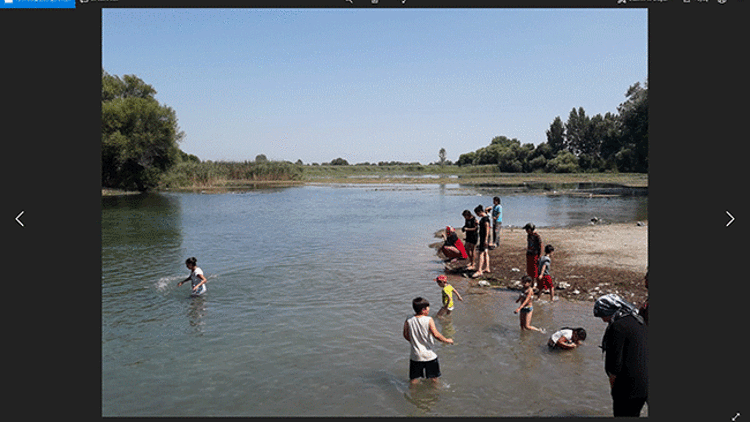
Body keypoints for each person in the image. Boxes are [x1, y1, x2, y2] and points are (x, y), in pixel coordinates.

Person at [593, 294, 648, 417]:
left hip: (628, 386)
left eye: (603, 315)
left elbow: (615, 365)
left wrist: (614, 389)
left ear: (610, 310)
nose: (603, 319)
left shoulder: (618, 327)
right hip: (644, 385)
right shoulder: (638, 320)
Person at [402, 297, 454, 385]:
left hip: (415, 355)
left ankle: (413, 395)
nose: (429, 310)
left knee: (414, 379)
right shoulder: (429, 320)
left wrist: (414, 342)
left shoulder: (408, 319)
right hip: (429, 355)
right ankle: (435, 395)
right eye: (428, 308)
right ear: (423, 310)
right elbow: (436, 334)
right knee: (434, 378)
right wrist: (447, 340)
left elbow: (405, 334)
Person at [471, 205, 492, 278]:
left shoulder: (485, 219)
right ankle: (487, 268)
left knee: (481, 253)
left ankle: (479, 270)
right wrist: (478, 223)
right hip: (485, 237)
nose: (477, 215)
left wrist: (486, 240)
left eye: (477, 214)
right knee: (486, 252)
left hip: (484, 238)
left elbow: (487, 229)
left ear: (479, 212)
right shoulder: (484, 218)